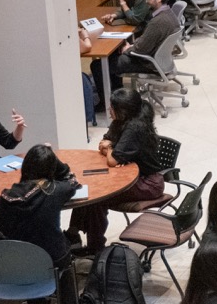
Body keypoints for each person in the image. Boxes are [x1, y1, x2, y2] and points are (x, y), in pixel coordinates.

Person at [0, 144, 81, 304]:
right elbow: (72, 180)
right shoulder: (54, 190)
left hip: (20, 261)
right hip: (54, 257)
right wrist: (55, 161)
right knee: (61, 248)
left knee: (27, 247)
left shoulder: (5, 198)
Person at [68, 88, 165, 254]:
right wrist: (112, 150)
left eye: (112, 107)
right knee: (87, 186)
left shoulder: (135, 127)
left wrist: (112, 150)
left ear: (123, 110)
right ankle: (72, 233)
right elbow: (103, 142)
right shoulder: (120, 122)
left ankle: (95, 247)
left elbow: (112, 159)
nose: (108, 110)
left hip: (148, 183)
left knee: (97, 197)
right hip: (131, 175)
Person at [91, 0, 178, 89]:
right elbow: (145, 42)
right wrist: (133, 45)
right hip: (159, 59)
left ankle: (107, 102)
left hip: (148, 63)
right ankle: (117, 91)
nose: (146, 2)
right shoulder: (169, 13)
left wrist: (127, 49)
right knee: (114, 55)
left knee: (97, 65)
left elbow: (140, 49)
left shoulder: (157, 22)